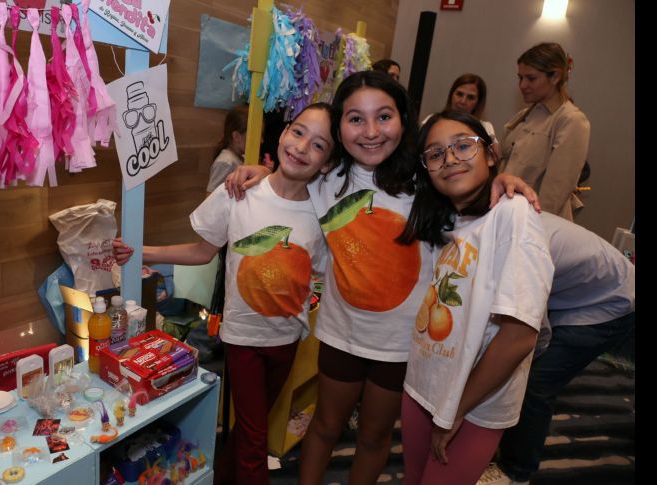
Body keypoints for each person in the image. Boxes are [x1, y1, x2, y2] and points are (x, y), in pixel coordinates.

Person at [225, 71, 539, 485]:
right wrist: (261, 174)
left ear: (404, 119)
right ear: (339, 126)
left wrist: (504, 177)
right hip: (342, 332)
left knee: (374, 438)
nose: (371, 132)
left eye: (384, 116)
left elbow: (471, 197)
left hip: (403, 342)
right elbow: (291, 178)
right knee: (324, 426)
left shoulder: (426, 178)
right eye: (355, 119)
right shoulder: (328, 177)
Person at [113, 103, 335, 485]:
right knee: (253, 439)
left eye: (318, 145)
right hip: (243, 338)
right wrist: (142, 249)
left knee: (252, 427)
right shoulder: (239, 191)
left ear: (328, 161)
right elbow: (202, 251)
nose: (301, 147)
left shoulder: (324, 209)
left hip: (287, 339)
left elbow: (323, 271)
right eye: (298, 132)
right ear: (282, 134)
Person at [397, 110, 554, 485]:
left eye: (463, 146)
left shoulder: (514, 215)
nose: (449, 158)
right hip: (425, 383)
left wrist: (455, 411)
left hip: (474, 402)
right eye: (435, 154)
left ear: (490, 153)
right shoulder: (447, 219)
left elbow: (519, 335)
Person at [477, 214, 636, 485]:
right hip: (583, 293)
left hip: (611, 304)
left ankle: (516, 471)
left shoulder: (520, 249)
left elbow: (532, 337)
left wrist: (502, 372)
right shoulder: (494, 225)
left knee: (535, 382)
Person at [500, 42, 590, 221]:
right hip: (507, 214)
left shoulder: (570, 120)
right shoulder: (523, 116)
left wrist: (532, 229)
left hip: (535, 223)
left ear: (555, 76)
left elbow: (554, 193)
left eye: (531, 78)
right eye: (520, 78)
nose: (523, 85)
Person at [421, 73, 499, 153]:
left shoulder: (486, 128)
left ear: (478, 103)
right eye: (459, 94)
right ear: (451, 94)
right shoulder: (432, 121)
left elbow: (494, 159)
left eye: (470, 97)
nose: (463, 101)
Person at [206, 103, 249, 195]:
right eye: (255, 136)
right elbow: (210, 198)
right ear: (236, 136)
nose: (261, 140)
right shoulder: (226, 162)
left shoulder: (242, 157)